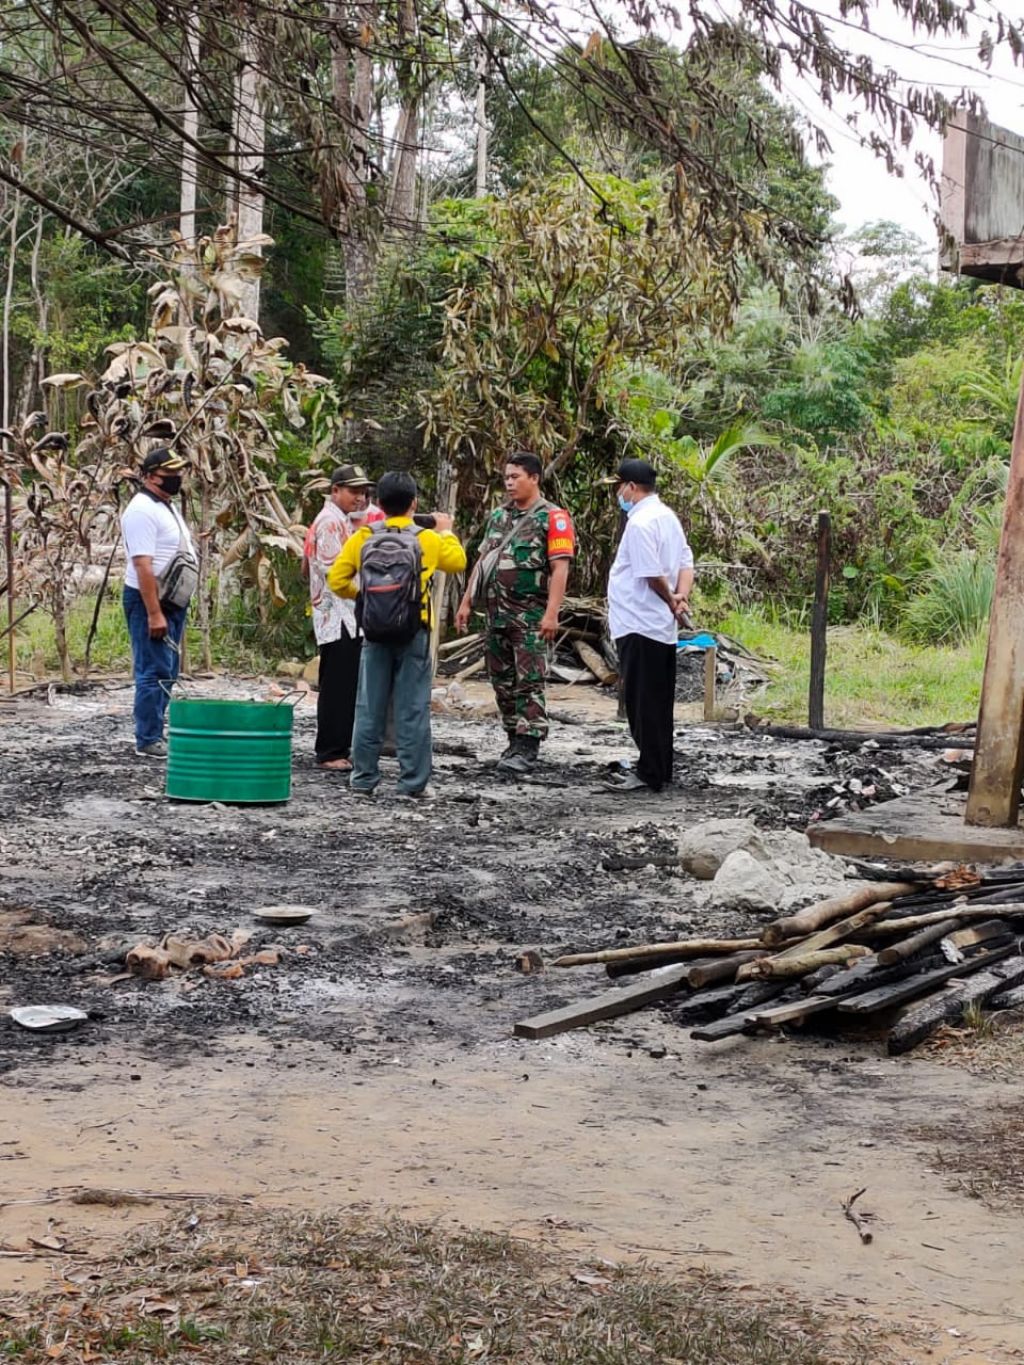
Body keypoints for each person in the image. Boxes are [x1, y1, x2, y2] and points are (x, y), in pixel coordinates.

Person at [328, 470, 466, 798]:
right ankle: (412, 783)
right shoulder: (427, 539)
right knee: (413, 708)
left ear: (378, 503)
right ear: (413, 504)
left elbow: (336, 580)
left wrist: (365, 598)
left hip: (374, 631)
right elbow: (458, 562)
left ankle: (363, 779)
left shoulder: (363, 537)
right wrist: (446, 530)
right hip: (414, 631)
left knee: (368, 706)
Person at [455, 452, 574, 774]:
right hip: (497, 616)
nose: (509, 483)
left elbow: (560, 568)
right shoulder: (499, 516)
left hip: (530, 617)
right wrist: (467, 602)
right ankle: (512, 739)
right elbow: (483, 562)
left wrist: (552, 614)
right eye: (506, 477)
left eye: (515, 477)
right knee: (502, 681)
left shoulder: (553, 518)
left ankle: (528, 744)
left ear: (534, 478)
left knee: (529, 681)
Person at [601, 458, 694, 793]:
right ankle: (659, 767)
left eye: (618, 487)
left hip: (639, 621)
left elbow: (651, 573)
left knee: (642, 702)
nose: (617, 494)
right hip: (658, 626)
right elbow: (686, 561)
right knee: (657, 700)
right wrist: (681, 596)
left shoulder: (640, 523)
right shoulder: (667, 517)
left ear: (631, 487)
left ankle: (649, 772)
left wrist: (671, 598)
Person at [120, 446, 196, 758]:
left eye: (178, 472)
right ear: (151, 476)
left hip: (171, 601)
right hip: (151, 600)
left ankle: (156, 731)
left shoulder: (164, 505)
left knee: (168, 669)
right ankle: (148, 737)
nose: (176, 478)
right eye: (169, 473)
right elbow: (143, 565)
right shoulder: (141, 511)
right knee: (153, 670)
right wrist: (154, 613)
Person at [303, 463, 374, 771]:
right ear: (335, 491)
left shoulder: (341, 520)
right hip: (338, 616)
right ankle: (330, 751)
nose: (359, 498)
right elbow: (333, 572)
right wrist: (368, 593)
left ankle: (338, 746)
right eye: (353, 491)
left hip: (346, 617)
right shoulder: (330, 523)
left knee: (344, 684)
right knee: (337, 686)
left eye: (363, 492)